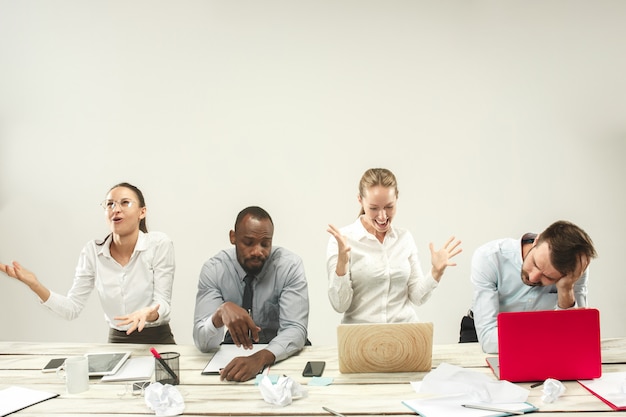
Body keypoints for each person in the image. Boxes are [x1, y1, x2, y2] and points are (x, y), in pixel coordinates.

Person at [0, 182, 176, 344]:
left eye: (125, 203)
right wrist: (34, 284)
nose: (116, 209)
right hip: (117, 343)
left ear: (142, 212)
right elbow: (72, 308)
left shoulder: (159, 244)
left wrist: (150, 313)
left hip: (158, 340)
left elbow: (163, 303)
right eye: (110, 204)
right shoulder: (92, 251)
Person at [326, 168, 462, 323]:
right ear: (360, 200)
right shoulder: (342, 241)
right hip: (362, 338)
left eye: (389, 207)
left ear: (396, 198)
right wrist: (342, 262)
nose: (383, 216)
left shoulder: (404, 238)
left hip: (404, 334)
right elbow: (340, 305)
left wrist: (436, 272)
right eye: (373, 208)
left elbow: (417, 297)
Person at [193, 206, 309, 382]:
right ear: (233, 237)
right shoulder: (215, 270)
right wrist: (219, 315)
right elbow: (203, 343)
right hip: (233, 353)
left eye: (265, 243)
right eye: (248, 242)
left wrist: (259, 359)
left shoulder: (288, 266)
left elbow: (295, 329)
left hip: (281, 355)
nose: (257, 251)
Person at [470, 220, 597, 354]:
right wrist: (553, 335)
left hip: (542, 341)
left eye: (549, 277)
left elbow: (576, 337)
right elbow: (489, 341)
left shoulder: (574, 271)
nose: (532, 277)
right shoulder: (489, 257)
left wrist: (566, 290)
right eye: (535, 263)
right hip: (485, 333)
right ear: (537, 240)